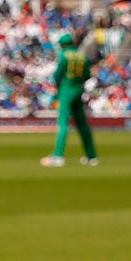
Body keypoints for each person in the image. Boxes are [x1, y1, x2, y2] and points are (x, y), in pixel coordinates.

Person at [41, 30, 99, 167]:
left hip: (66, 90)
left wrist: (59, 87)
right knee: (82, 124)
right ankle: (91, 156)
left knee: (63, 123)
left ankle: (58, 156)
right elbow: (87, 75)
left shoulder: (64, 56)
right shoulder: (82, 56)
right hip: (78, 90)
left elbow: (57, 75)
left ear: (63, 45)